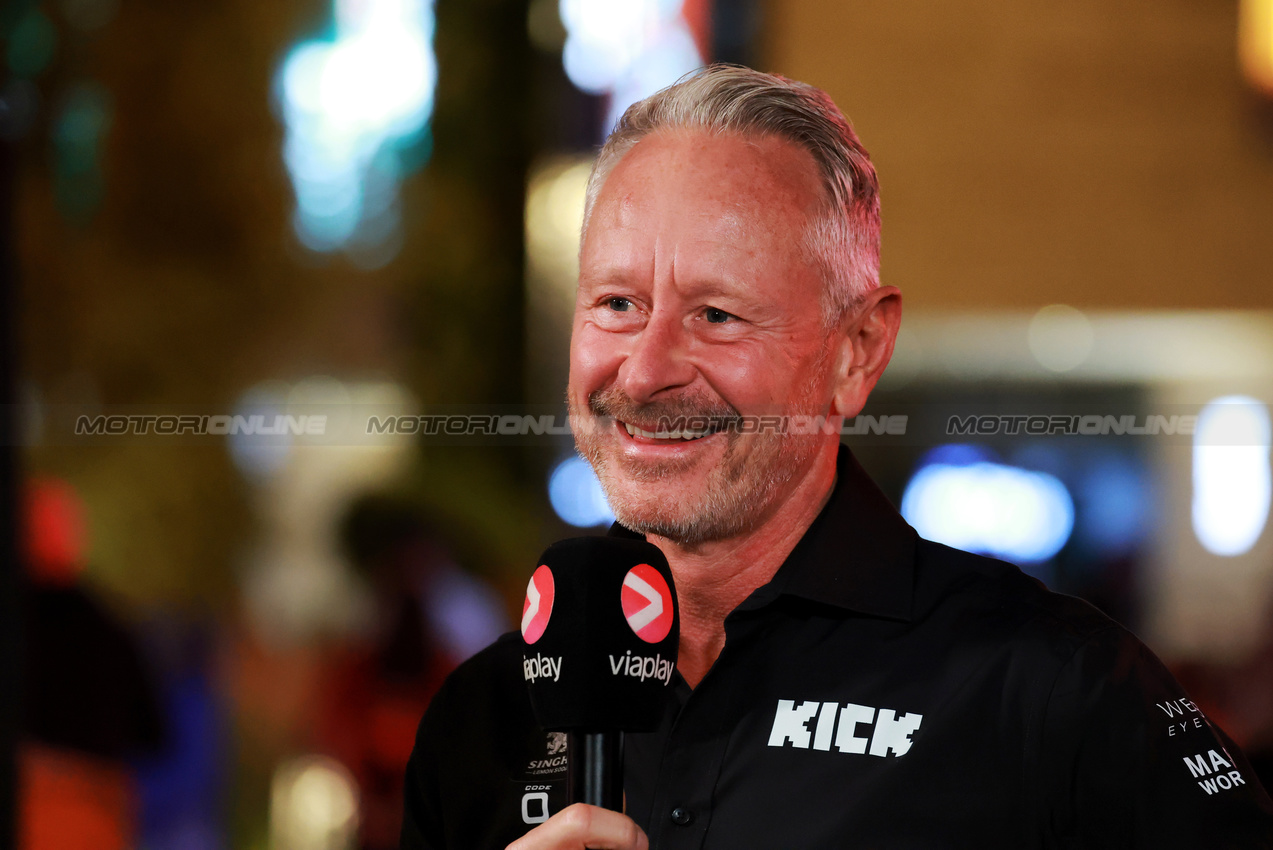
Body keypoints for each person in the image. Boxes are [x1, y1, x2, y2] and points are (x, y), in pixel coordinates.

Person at [400, 65, 1273, 849]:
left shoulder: (1049, 686)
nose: (647, 369)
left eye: (717, 315)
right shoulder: (484, 718)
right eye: (618, 303)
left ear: (855, 350)